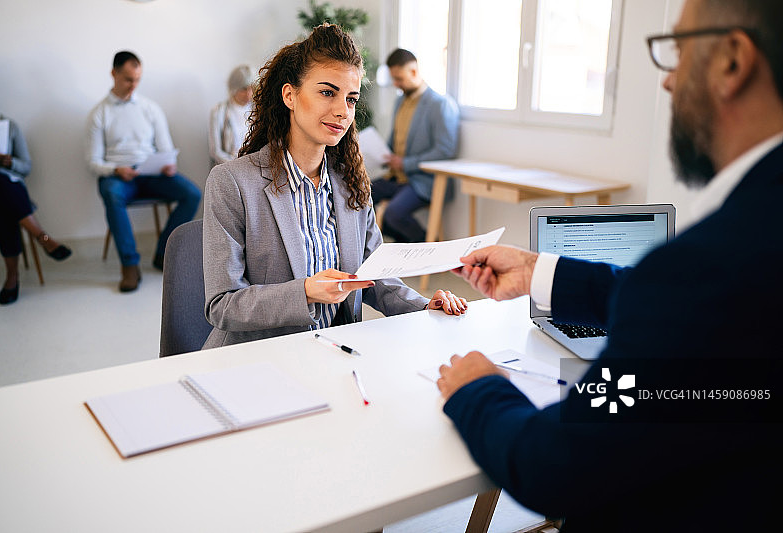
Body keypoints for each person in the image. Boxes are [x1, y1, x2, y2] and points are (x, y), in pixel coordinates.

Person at [438, 0, 782, 531]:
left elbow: (556, 464)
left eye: (679, 51)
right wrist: (537, 270)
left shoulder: (712, 264)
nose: (667, 84)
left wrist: (477, 388)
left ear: (732, 61)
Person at [202, 24, 467, 348]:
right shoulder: (232, 183)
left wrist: (424, 306)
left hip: (332, 355)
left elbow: (375, 276)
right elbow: (223, 304)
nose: (342, 111)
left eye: (351, 99)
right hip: (260, 361)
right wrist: (305, 292)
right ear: (290, 95)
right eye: (328, 92)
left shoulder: (351, 182)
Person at [86, 51, 201, 292]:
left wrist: (168, 165)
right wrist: (117, 169)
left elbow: (166, 148)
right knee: (111, 194)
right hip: (119, 176)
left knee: (191, 193)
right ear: (113, 74)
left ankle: (163, 253)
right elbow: (93, 161)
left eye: (137, 79)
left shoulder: (150, 108)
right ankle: (130, 265)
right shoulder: (100, 113)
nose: (133, 85)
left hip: (152, 173)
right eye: (128, 79)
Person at [0, 68, 72, 305]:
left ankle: (12, 277)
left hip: (5, 191)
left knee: (0, 195)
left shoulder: (8, 127)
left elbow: (26, 167)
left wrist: (10, 161)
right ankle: (42, 238)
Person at [371, 48, 460, 243]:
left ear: (413, 72)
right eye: (393, 79)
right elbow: (393, 141)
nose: (396, 84)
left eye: (399, 78)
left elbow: (445, 151)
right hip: (395, 178)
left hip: (422, 181)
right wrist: (378, 153)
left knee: (393, 213)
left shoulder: (441, 105)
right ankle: (402, 245)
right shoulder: (399, 102)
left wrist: (405, 163)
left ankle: (429, 246)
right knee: (359, 196)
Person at [209, 64, 256, 166]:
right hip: (229, 168)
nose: (248, 94)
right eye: (243, 89)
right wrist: (236, 166)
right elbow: (215, 151)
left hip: (253, 167)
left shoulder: (257, 110)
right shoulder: (218, 112)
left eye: (251, 88)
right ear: (234, 88)